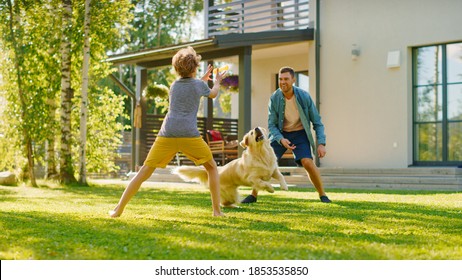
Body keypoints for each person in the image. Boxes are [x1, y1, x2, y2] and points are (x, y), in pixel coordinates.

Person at [110, 46, 226, 217]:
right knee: (211, 168)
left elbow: (191, 87)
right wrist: (216, 81)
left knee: (144, 171)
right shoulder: (199, 85)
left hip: (167, 133)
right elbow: (212, 94)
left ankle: (118, 209)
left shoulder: (174, 86)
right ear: (194, 67)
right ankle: (217, 211)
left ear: (177, 68)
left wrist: (202, 79)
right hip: (189, 135)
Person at [241, 66, 331, 204]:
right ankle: (253, 195)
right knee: (264, 162)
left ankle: (323, 195)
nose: (283, 82)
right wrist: (281, 139)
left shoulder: (303, 96)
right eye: (280, 79)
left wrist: (321, 144)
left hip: (300, 134)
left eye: (286, 79)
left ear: (293, 80)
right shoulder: (274, 98)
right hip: (280, 134)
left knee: (307, 162)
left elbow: (317, 122)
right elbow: (271, 124)